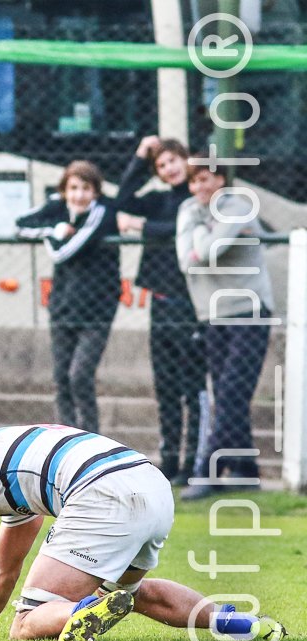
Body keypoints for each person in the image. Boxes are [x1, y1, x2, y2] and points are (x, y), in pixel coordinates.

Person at [0, 411, 285, 641]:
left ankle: (87, 609)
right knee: (130, 592)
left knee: (27, 621)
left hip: (102, 492)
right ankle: (242, 624)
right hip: (153, 486)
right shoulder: (4, 460)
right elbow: (3, 568)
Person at [176, 162, 274, 501]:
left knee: (232, 391)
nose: (198, 187)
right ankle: (246, 472)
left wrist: (200, 239)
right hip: (212, 315)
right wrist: (203, 241)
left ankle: (209, 472)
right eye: (193, 181)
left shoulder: (238, 205)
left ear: (220, 178)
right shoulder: (188, 208)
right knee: (226, 392)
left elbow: (206, 252)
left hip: (249, 311)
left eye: (204, 179)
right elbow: (184, 261)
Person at [116, 136, 206, 485]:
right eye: (161, 165)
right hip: (161, 303)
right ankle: (170, 461)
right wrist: (140, 158)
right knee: (166, 387)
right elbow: (122, 199)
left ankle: (193, 462)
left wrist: (141, 227)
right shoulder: (157, 200)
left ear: (186, 160)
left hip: (190, 305)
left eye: (173, 161)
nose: (169, 169)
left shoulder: (197, 199)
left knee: (191, 387)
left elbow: (181, 231)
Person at [16, 161, 120, 433]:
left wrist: (53, 236)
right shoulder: (58, 206)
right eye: (73, 188)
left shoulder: (102, 213)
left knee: (79, 376)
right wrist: (54, 230)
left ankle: (91, 438)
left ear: (96, 191)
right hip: (62, 308)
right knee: (61, 378)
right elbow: (20, 224)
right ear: (64, 189)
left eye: (86, 188)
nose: (79, 195)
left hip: (96, 312)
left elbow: (63, 252)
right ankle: (66, 439)